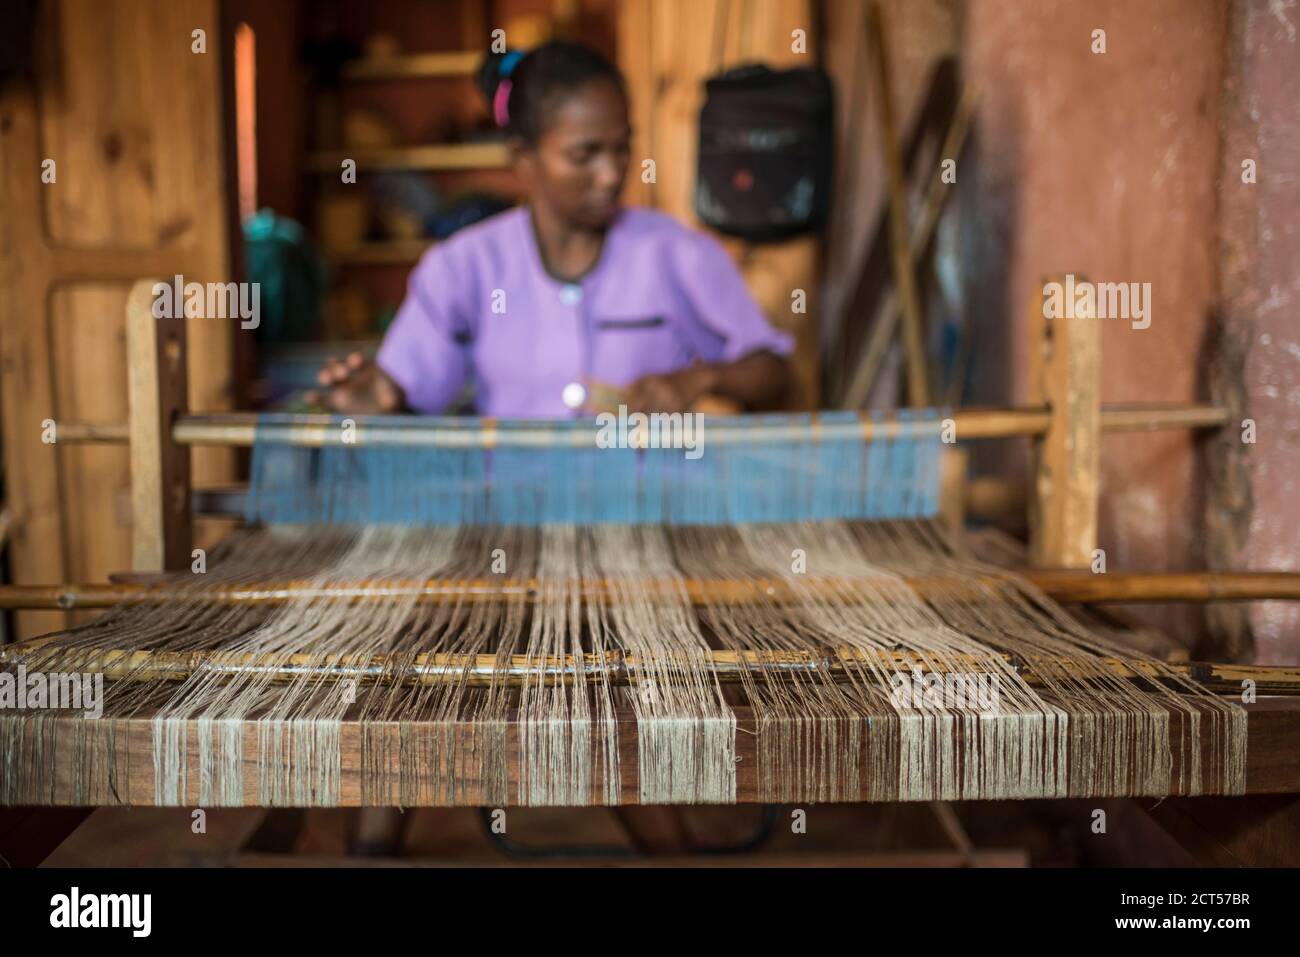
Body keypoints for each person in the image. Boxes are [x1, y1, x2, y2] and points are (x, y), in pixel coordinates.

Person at [312, 40, 793, 417]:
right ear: (524, 158)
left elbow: (773, 372)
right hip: (511, 524)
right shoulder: (464, 268)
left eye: (621, 148)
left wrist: (699, 379)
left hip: (648, 514)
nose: (611, 174)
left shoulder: (677, 254)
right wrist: (379, 397)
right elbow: (407, 393)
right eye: (585, 155)